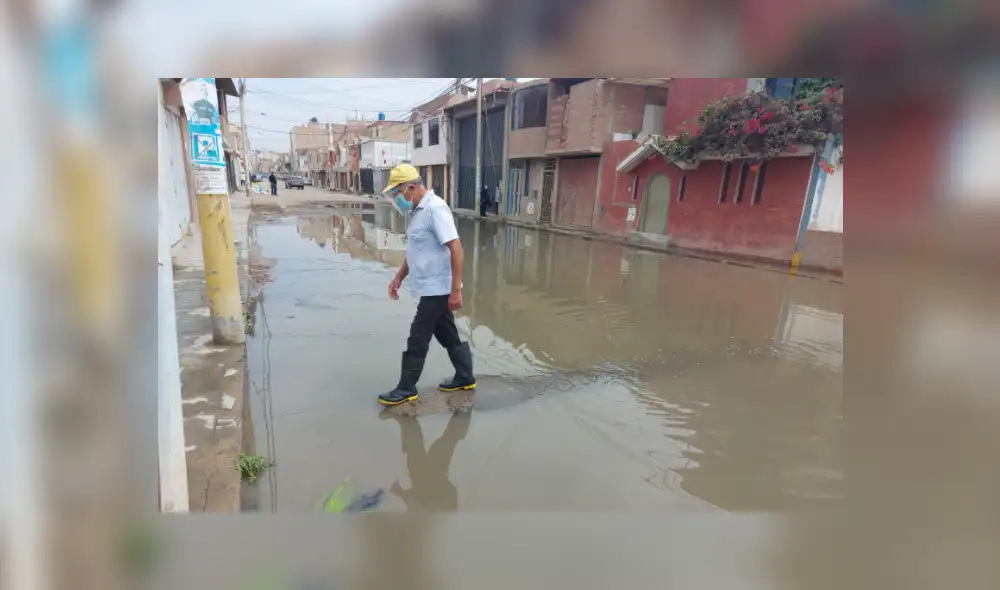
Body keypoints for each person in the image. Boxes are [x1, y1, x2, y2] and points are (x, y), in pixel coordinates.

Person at [379, 164, 476, 406]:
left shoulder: (435, 209)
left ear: (411, 188)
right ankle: (465, 376)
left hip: (439, 288)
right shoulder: (416, 212)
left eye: (397, 193)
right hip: (429, 287)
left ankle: (406, 388)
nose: (396, 199)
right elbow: (416, 252)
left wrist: (456, 290)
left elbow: (456, 248)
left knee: (418, 337)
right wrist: (399, 277)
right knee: (447, 334)